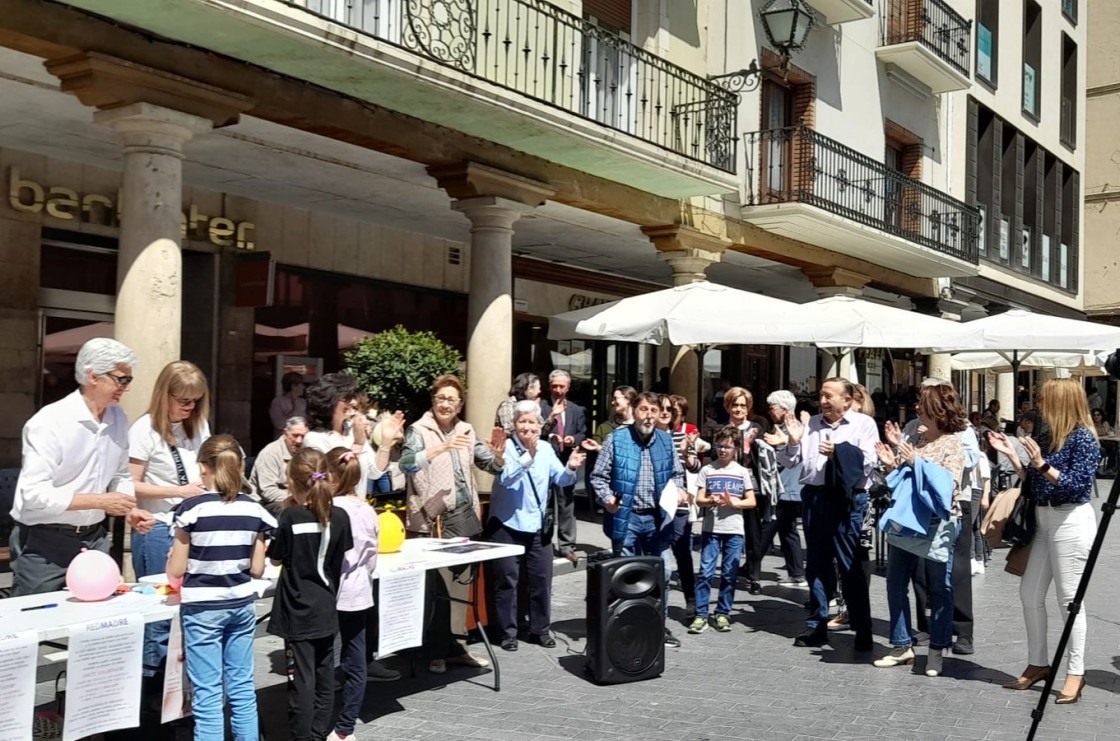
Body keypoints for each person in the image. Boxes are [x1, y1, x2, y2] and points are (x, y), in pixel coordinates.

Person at [11, 337, 155, 596]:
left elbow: (121, 474)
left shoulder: (118, 418)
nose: (126, 388)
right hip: (43, 542)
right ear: (93, 376)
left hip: (94, 538)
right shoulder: (49, 422)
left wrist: (128, 508)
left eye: (128, 380)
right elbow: (32, 494)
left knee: (101, 626)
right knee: (34, 626)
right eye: (121, 379)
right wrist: (100, 502)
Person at [989, 378, 1101, 704]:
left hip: (1071, 520)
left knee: (1069, 601)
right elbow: (1034, 482)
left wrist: (1041, 464)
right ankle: (1038, 662)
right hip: (1042, 520)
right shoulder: (1045, 434)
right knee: (1029, 594)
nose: (1038, 406)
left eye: (1044, 400)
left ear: (1061, 401)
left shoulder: (1084, 438)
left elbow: (1076, 486)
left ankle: (1075, 672)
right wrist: (1014, 457)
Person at [166, 434, 274, 741]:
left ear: (203, 467)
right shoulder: (254, 510)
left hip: (202, 608)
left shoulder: (190, 509)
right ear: (239, 466)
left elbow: (176, 568)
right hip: (240, 602)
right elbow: (257, 568)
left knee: (208, 695)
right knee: (241, 688)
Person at [400, 374, 504, 673]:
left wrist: (498, 453)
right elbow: (406, 464)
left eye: (452, 400)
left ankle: (457, 648)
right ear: (433, 401)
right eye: (441, 398)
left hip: (464, 518)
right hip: (431, 522)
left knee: (460, 589)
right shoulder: (418, 430)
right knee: (435, 589)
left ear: (460, 405)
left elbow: (489, 464)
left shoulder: (466, 430)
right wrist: (438, 449)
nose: (446, 404)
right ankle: (434, 652)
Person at [770, 378, 878, 651]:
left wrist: (838, 453)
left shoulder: (863, 425)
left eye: (830, 396)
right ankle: (816, 624)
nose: (824, 400)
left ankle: (862, 629)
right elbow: (791, 460)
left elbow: (868, 462)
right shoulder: (813, 424)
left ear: (848, 399)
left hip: (846, 499)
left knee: (849, 565)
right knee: (817, 564)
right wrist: (791, 442)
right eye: (822, 395)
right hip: (815, 497)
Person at [874, 383, 966, 677]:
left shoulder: (952, 443)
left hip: (937, 523)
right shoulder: (916, 437)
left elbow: (949, 484)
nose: (917, 409)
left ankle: (937, 649)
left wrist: (916, 460)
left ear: (937, 411)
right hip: (908, 519)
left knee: (940, 587)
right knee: (895, 582)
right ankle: (901, 644)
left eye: (922, 405)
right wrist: (891, 464)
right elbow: (903, 480)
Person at [128, 360, 212, 678]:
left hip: (192, 526)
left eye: (196, 401)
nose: (190, 407)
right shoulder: (144, 429)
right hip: (157, 527)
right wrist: (179, 490)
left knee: (186, 611)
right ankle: (151, 687)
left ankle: (176, 693)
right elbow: (130, 483)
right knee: (158, 614)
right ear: (166, 396)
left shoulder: (198, 426)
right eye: (184, 401)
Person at [268, 447, 353, 741]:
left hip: (297, 609)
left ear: (292, 481)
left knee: (301, 680)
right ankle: (318, 734)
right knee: (325, 675)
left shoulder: (290, 517)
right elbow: (339, 560)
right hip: (326, 603)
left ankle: (302, 736)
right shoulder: (340, 516)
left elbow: (276, 558)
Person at [590, 391, 687, 648]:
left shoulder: (666, 441)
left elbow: (678, 474)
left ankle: (657, 625)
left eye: (654, 411)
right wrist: (608, 499)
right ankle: (625, 625)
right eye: (644, 409)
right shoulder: (616, 439)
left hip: (657, 519)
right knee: (626, 575)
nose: (649, 415)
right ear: (634, 411)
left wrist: (679, 489)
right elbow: (598, 477)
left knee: (663, 572)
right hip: (627, 517)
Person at [488, 400, 586, 651]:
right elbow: (507, 478)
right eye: (523, 422)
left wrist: (571, 468)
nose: (528, 427)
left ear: (540, 425)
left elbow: (560, 479)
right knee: (507, 580)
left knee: (542, 579)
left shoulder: (545, 448)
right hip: (507, 524)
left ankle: (540, 629)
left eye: (532, 422)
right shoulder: (506, 448)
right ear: (514, 425)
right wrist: (527, 458)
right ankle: (507, 632)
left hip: (537, 526)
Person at [324, 448, 379, 741]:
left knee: (323, 657)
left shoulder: (328, 508)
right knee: (356, 659)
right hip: (359, 591)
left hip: (331, 591)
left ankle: (318, 720)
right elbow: (372, 557)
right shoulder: (368, 510)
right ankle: (346, 728)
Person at [688, 425, 757, 634]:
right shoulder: (708, 469)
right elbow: (699, 499)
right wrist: (711, 500)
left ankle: (722, 613)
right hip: (712, 529)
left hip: (734, 530)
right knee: (706, 572)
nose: (723, 450)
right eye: (720, 446)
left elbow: (751, 501)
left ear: (736, 448)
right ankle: (701, 614)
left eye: (727, 446)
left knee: (729, 573)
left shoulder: (741, 472)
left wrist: (735, 503)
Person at [303, 373, 402, 500]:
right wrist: (358, 444)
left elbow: (375, 471)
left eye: (353, 397)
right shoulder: (314, 439)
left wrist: (386, 441)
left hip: (356, 508)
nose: (354, 402)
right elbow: (337, 477)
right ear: (329, 400)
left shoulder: (352, 430)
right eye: (347, 398)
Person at [656, 395, 701, 618]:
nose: (665, 413)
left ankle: (691, 600)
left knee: (682, 552)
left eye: (669, 410)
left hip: (678, 504)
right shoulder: (649, 436)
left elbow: (695, 466)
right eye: (661, 409)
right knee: (658, 556)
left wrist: (686, 452)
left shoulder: (682, 435)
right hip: (655, 505)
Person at [540, 370, 587, 561]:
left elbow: (582, 433)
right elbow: (537, 432)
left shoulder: (576, 410)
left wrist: (572, 439)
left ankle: (567, 545)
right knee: (546, 503)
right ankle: (544, 542)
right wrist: (551, 432)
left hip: (566, 461)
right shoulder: (542, 407)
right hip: (546, 462)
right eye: (554, 386)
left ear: (568, 387)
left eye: (562, 386)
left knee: (566, 504)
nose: (558, 390)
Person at [763, 390, 806, 587]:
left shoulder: (793, 429)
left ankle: (752, 562)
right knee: (786, 530)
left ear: (785, 409)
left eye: (773, 408)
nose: (770, 412)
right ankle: (796, 572)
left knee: (772, 527)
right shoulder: (780, 428)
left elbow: (789, 458)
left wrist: (780, 443)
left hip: (788, 486)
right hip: (787, 487)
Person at [724, 386, 765, 595]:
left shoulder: (756, 428)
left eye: (742, 405)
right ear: (728, 407)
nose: (738, 409)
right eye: (734, 405)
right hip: (727, 485)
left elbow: (766, 457)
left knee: (753, 533)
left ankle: (754, 575)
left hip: (752, 486)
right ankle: (728, 571)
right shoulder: (722, 429)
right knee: (727, 531)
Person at [248, 416, 310, 518]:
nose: (299, 441)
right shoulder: (270, 453)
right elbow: (267, 491)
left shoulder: (307, 451)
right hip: (265, 504)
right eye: (295, 436)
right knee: (287, 510)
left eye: (303, 436)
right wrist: (298, 499)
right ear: (285, 434)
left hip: (298, 499)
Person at [270, 371, 307, 437]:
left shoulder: (303, 402)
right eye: (301, 384)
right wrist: (293, 410)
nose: (303, 387)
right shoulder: (278, 402)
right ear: (293, 386)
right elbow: (279, 424)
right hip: (283, 441)